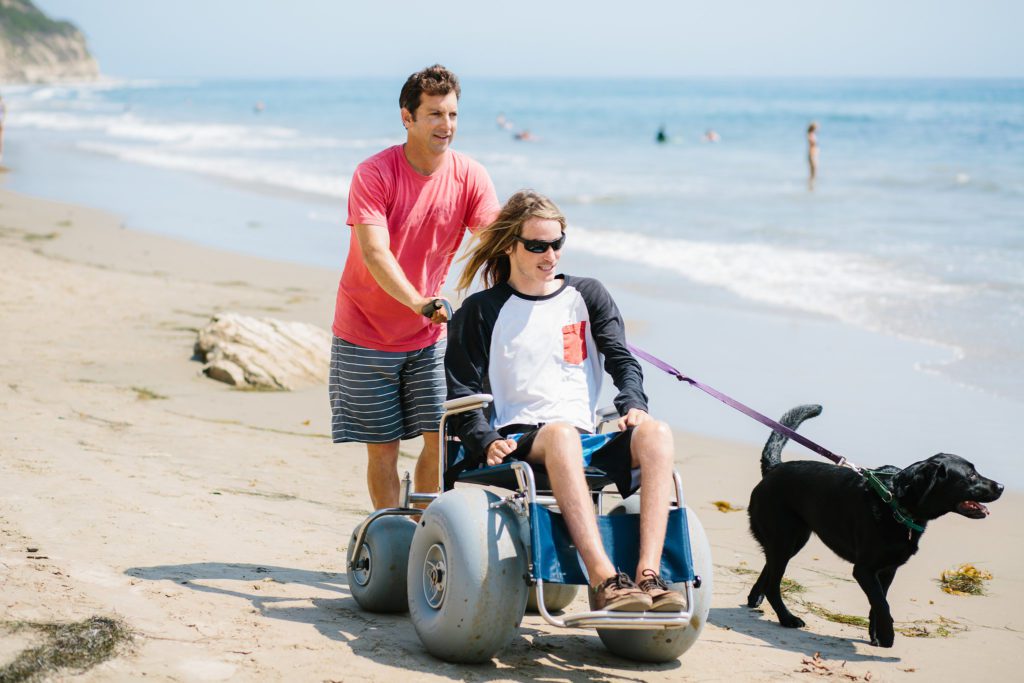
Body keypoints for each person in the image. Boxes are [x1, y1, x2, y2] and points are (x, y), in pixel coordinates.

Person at [445, 190, 684, 613]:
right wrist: (483, 438)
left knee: (657, 435)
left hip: (582, 438)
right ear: (509, 246)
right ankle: (605, 579)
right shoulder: (483, 309)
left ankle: (649, 575)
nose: (550, 255)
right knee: (559, 435)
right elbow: (461, 392)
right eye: (537, 246)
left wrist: (633, 403)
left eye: (557, 244)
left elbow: (622, 361)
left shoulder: (588, 295)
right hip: (519, 441)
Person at [331, 64, 501, 510]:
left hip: (428, 336)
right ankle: (390, 534)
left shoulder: (470, 176)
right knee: (383, 449)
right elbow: (374, 253)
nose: (447, 126)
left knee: (439, 439)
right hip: (364, 331)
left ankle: (425, 535)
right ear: (407, 117)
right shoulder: (374, 174)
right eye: (435, 115)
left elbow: (497, 245)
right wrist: (419, 301)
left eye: (453, 115)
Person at [807, 121, 819, 189]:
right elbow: (812, 143)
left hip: (813, 154)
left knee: (813, 170)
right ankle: (811, 185)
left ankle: (811, 185)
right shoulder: (810, 135)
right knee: (813, 170)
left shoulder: (811, 134)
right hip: (812, 154)